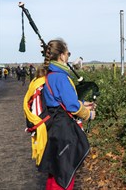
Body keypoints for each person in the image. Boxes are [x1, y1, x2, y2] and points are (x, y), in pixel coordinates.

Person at [36, 39, 96, 189]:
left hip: (54, 126)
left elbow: (58, 101)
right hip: (64, 130)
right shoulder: (61, 77)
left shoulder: (49, 75)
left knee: (55, 171)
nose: (69, 56)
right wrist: (89, 114)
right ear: (62, 56)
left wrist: (82, 103)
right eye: (68, 53)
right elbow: (71, 106)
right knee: (65, 174)